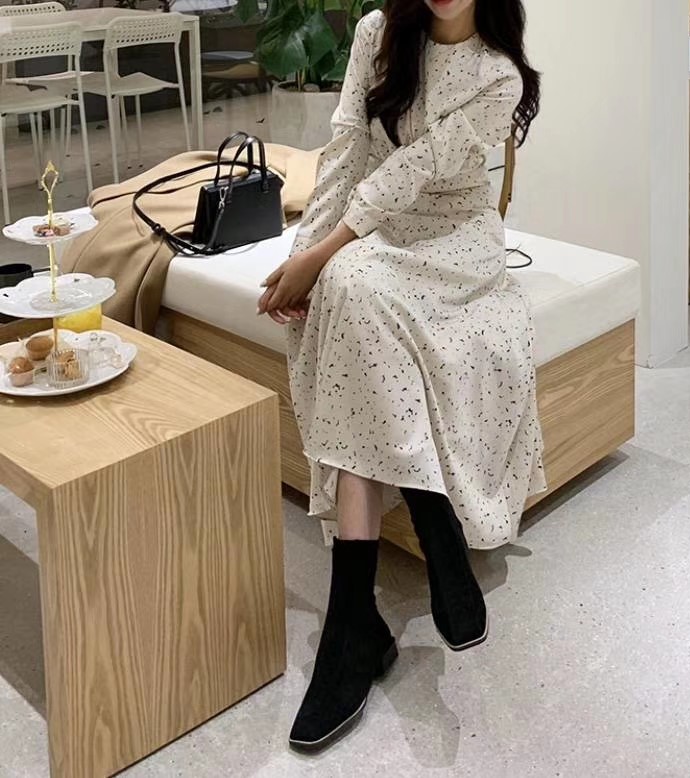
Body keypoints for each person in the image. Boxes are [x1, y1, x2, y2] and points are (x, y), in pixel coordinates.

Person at [257, 0, 544, 753]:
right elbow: (347, 151)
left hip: (455, 242)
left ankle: (354, 626)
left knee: (350, 284)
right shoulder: (378, 34)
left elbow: (411, 172)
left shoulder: (499, 76)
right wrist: (303, 253)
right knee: (351, 289)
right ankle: (422, 527)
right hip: (371, 231)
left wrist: (321, 259)